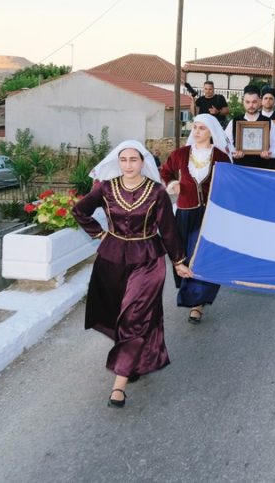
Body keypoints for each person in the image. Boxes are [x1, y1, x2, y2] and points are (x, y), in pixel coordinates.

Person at [73, 140, 187, 408]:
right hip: (111, 260)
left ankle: (119, 385)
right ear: (117, 162)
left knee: (134, 317)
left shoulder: (157, 192)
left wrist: (179, 261)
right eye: (123, 160)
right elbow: (80, 210)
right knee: (117, 316)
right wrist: (100, 234)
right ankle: (135, 359)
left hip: (148, 260)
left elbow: (168, 231)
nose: (128, 165)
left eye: (133, 160)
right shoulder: (106, 188)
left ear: (143, 162)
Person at [160, 114, 232, 324]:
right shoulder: (181, 154)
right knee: (185, 255)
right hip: (185, 212)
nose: (197, 131)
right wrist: (172, 183)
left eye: (202, 128)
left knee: (202, 257)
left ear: (211, 131)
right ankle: (193, 297)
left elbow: (229, 184)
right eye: (195, 127)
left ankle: (197, 303)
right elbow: (165, 171)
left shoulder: (220, 156)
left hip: (210, 215)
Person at [224, 85, 275, 170]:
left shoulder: (268, 123)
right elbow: (225, 145)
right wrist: (234, 152)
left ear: (259, 101)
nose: (251, 105)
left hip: (262, 170)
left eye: (254, 102)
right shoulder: (234, 122)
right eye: (247, 102)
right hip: (239, 169)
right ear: (243, 101)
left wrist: (269, 153)